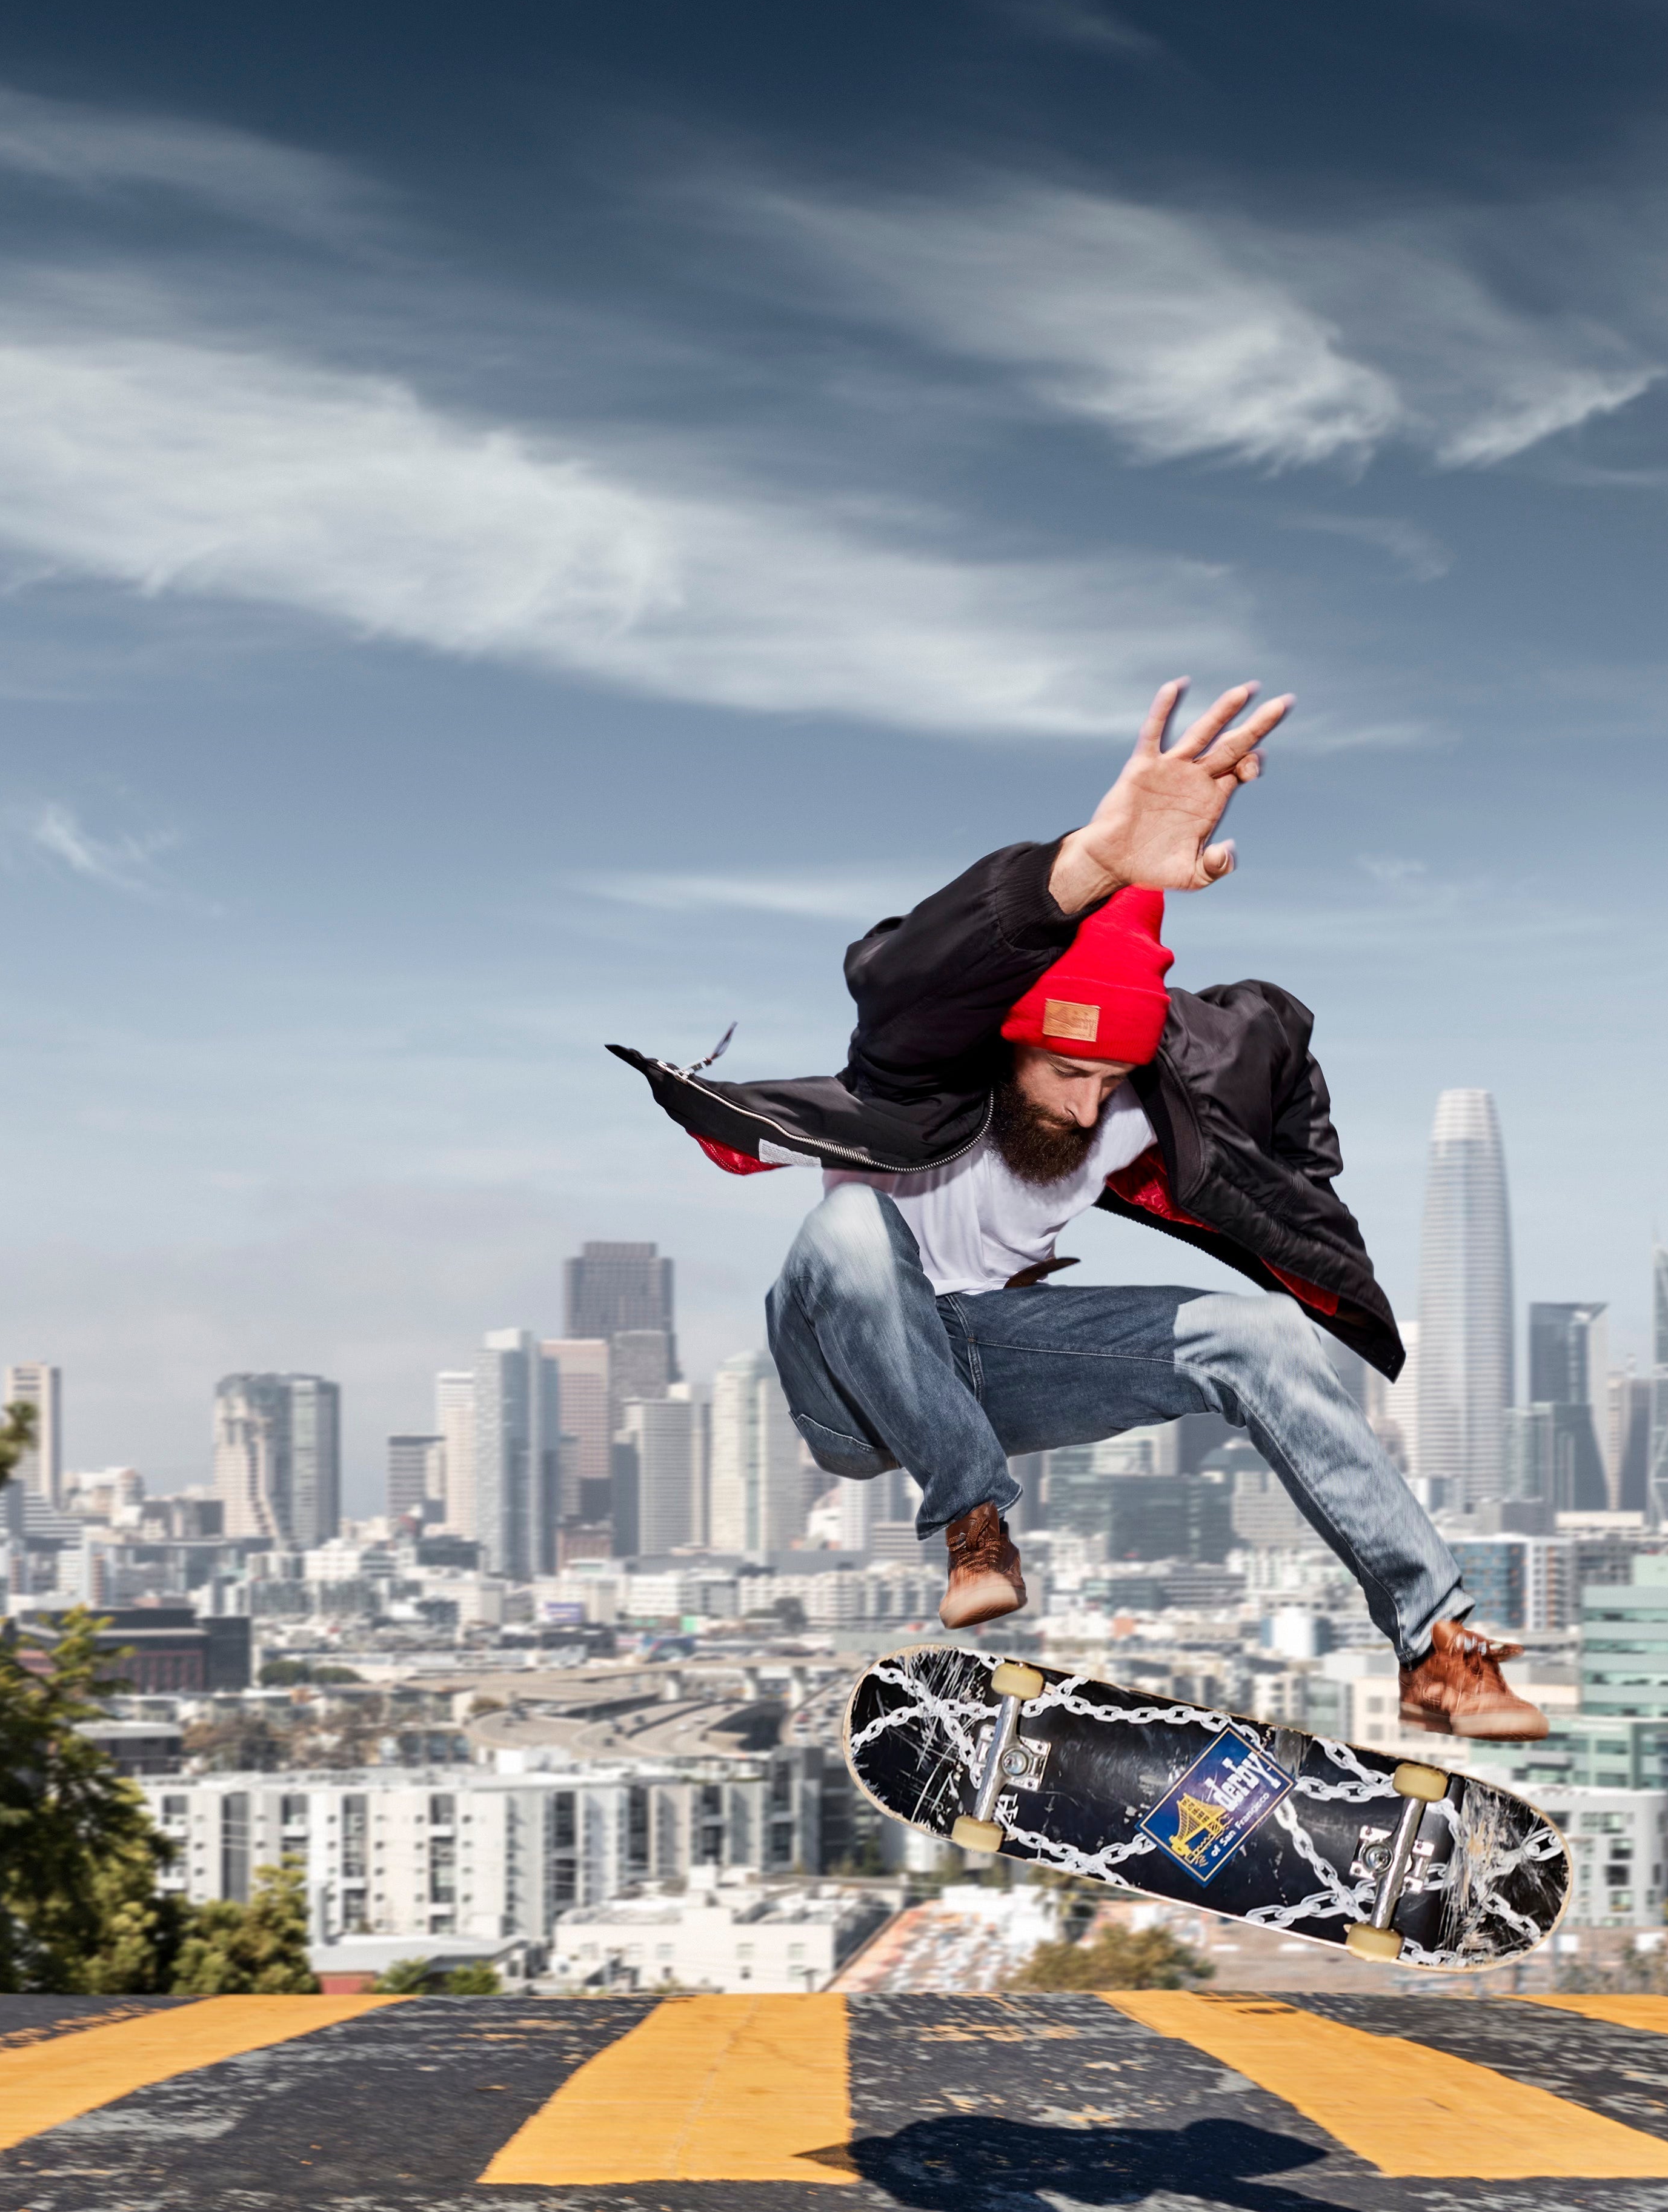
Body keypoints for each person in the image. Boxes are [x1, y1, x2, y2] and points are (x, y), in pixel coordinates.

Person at [611, 679, 1546, 1740]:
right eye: (1064, 1071)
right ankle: (974, 1520)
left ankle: (1435, 1649)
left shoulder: (1130, 1104)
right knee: (848, 1230)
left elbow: (1277, 1065)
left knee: (1257, 1334)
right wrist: (1095, 862)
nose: (1084, 1105)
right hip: (852, 1377)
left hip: (999, 1361)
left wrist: (1298, 1201)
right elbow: (915, 968)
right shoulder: (920, 1064)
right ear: (1008, 1040)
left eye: (1109, 1081)